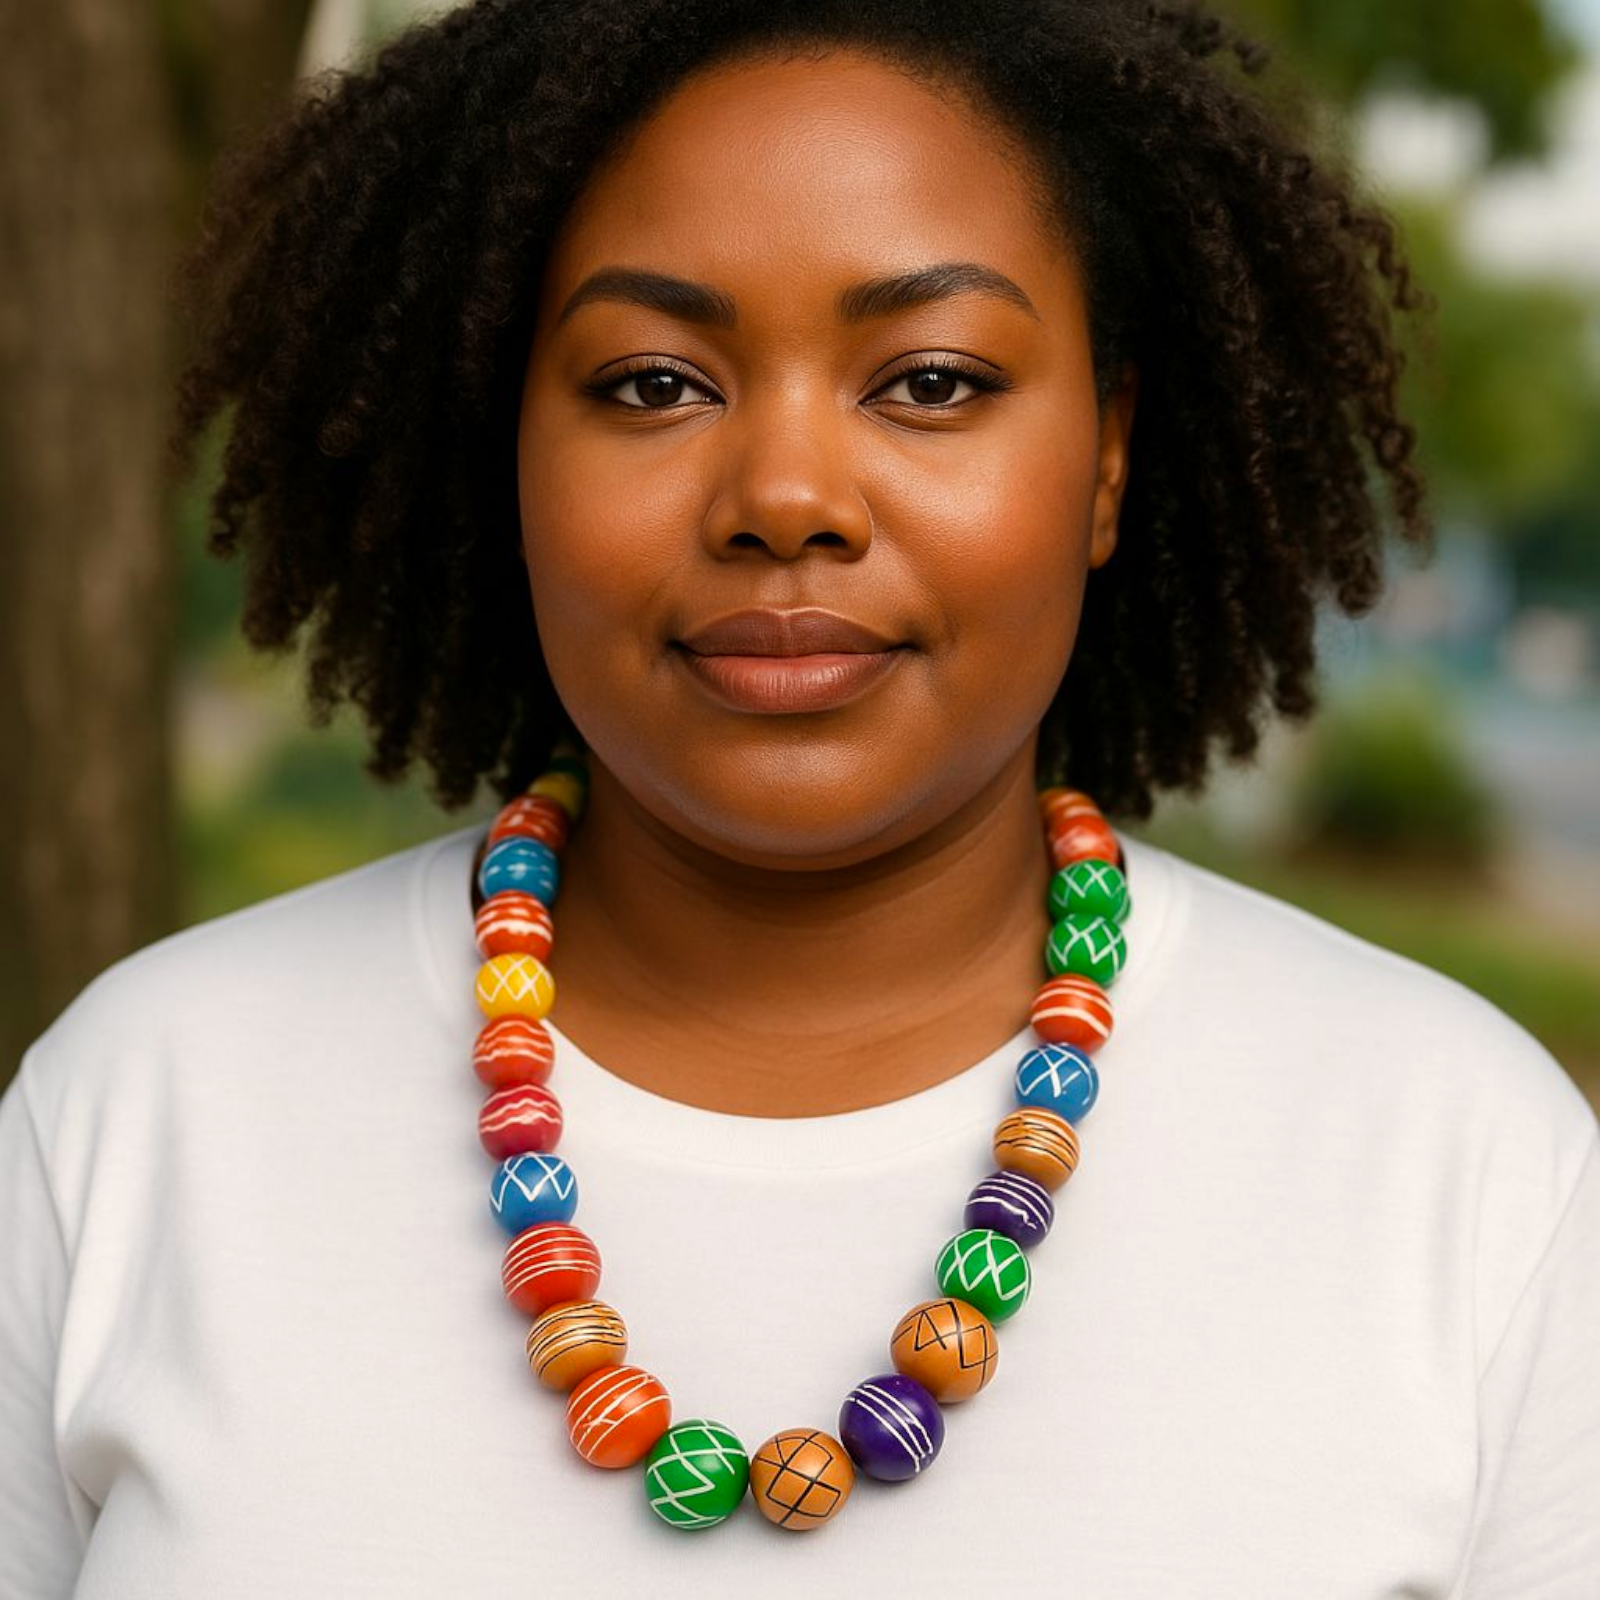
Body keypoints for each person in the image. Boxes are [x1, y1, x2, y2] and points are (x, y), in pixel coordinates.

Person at [2, 0, 1596, 1593]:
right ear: (507, 451)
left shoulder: (1462, 1174)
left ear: (1106, 458)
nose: (783, 498)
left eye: (931, 381)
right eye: (647, 384)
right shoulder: (136, 1123)